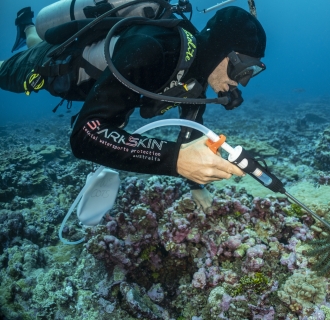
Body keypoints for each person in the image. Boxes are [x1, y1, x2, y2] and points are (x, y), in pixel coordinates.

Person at [0, 5, 267, 212]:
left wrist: (196, 185)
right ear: (221, 50)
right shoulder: (151, 48)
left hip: (83, 74)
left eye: (253, 71)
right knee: (13, 65)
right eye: (243, 67)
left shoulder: (196, 78)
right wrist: (175, 160)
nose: (241, 80)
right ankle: (24, 33)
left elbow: (191, 128)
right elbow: (85, 135)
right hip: (53, 67)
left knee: (36, 40)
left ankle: (25, 24)